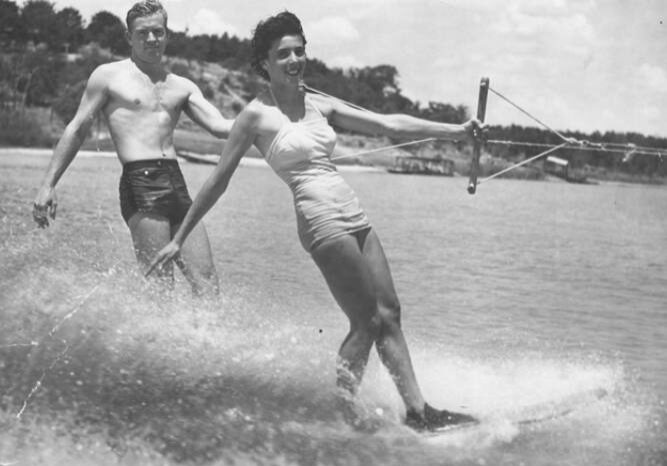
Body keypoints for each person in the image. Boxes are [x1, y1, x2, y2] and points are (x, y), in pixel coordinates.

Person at [147, 11, 485, 431]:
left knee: (390, 313)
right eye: (283, 54)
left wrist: (456, 131)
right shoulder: (255, 116)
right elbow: (218, 180)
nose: (294, 60)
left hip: (352, 212)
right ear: (264, 64)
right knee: (366, 321)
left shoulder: (319, 103)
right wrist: (180, 237)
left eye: (299, 51)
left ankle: (419, 411)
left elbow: (388, 124)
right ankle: (345, 417)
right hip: (319, 219)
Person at [32, 0, 233, 296]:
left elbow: (221, 127)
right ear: (129, 37)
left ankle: (203, 342)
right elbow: (76, 128)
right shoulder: (109, 76)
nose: (151, 39)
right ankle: (149, 341)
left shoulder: (183, 86)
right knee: (160, 288)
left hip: (177, 184)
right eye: (143, 33)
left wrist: (272, 113)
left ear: (167, 35)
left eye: (158, 32)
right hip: (141, 182)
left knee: (207, 284)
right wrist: (47, 185)